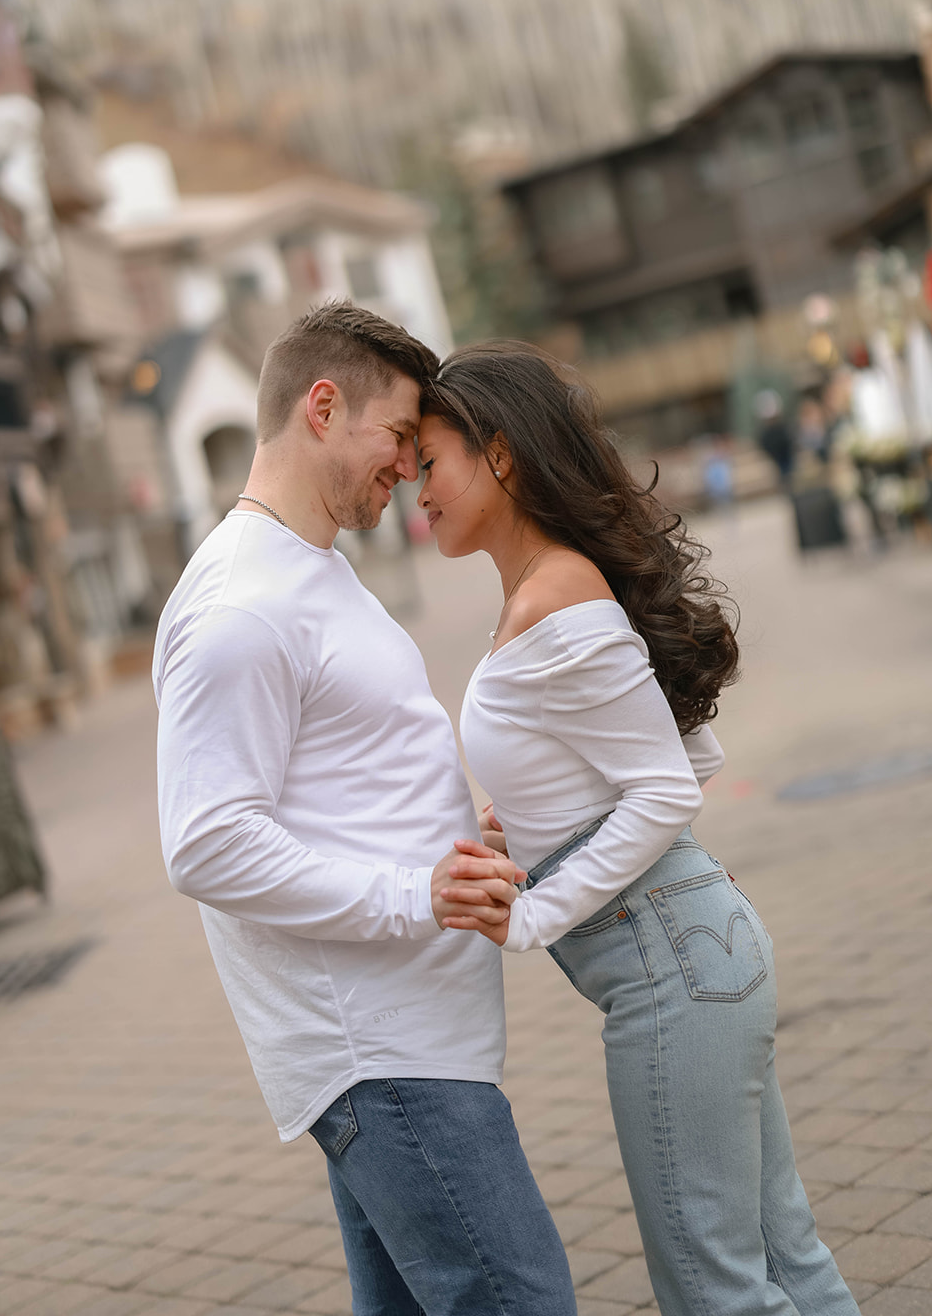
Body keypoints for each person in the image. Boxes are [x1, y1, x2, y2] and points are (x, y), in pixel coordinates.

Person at [421, 341, 860, 1316]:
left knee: (714, 1287)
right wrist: (535, 822)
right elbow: (686, 757)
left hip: (670, 968)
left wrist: (531, 914)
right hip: (693, 950)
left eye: (429, 462)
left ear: (498, 454)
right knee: (780, 1258)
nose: (418, 490)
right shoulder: (552, 590)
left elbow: (663, 791)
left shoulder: (554, 598)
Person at [153, 303, 576, 1316]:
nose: (407, 466)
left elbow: (341, 781)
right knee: (521, 1299)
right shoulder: (238, 606)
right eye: (395, 436)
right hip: (380, 1057)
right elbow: (205, 842)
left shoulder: (310, 569)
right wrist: (411, 889)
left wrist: (456, 828)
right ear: (321, 405)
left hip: (403, 1047)